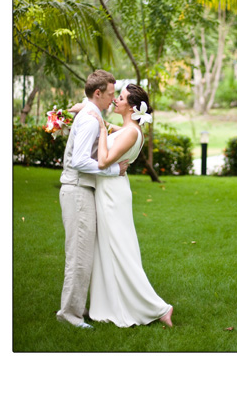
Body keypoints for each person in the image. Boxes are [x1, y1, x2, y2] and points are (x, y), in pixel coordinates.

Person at [86, 83, 174, 328]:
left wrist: (102, 128)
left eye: (121, 97)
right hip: (111, 191)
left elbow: (103, 161)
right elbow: (117, 132)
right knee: (109, 249)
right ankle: (111, 304)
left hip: (113, 195)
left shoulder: (131, 132)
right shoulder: (129, 128)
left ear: (132, 107)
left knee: (121, 251)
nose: (115, 100)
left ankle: (159, 307)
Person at [57, 70, 129, 329]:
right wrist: (113, 170)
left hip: (82, 191)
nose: (113, 99)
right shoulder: (89, 119)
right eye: (111, 95)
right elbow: (79, 160)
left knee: (84, 253)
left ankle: (76, 307)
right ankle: (69, 314)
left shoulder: (91, 112)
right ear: (98, 93)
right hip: (77, 191)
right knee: (79, 255)